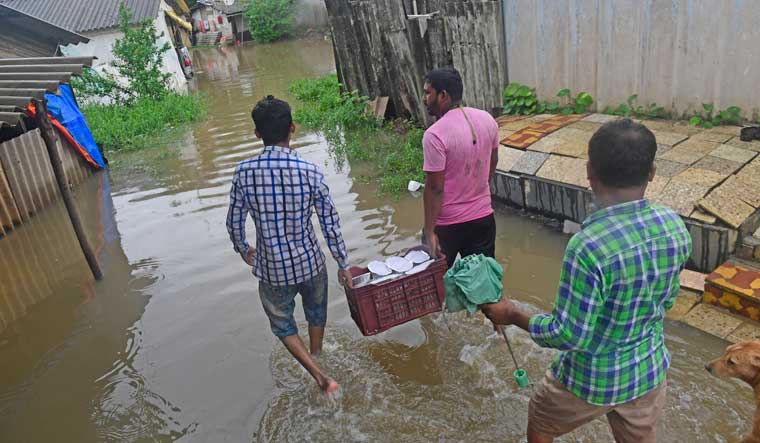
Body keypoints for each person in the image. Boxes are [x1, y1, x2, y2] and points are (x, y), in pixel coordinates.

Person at [482, 119, 692, 443]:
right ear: (652, 172)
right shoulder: (673, 224)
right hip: (647, 372)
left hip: (591, 380)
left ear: (590, 173)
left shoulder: (588, 247)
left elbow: (568, 334)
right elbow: (665, 300)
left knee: (541, 417)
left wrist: (511, 314)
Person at [226, 95, 353, 396]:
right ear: (292, 128)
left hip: (273, 270)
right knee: (316, 314)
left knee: (284, 326)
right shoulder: (311, 172)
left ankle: (319, 375)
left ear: (257, 134)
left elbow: (233, 222)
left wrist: (243, 249)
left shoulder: (243, 172)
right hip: (311, 264)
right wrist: (343, 263)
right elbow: (330, 223)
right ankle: (318, 352)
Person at [422, 67, 499, 268]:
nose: (424, 99)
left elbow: (435, 188)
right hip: (483, 219)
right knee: (483, 286)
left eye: (428, 93)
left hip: (448, 226)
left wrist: (429, 230)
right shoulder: (488, 120)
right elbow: (493, 162)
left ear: (443, 95)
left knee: (436, 287)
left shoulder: (434, 134)